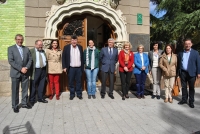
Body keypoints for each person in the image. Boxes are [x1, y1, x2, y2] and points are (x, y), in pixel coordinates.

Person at [8, 34, 32, 113]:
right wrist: (20, 68)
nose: (20, 41)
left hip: (25, 72)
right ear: (15, 39)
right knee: (15, 90)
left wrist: (26, 68)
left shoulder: (26, 49)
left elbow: (30, 59)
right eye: (18, 39)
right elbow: (11, 61)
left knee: (25, 89)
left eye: (21, 39)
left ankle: (24, 103)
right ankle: (15, 105)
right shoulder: (11, 49)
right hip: (15, 73)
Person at [177, 39, 200, 108]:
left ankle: (191, 101)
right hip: (183, 72)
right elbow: (179, 63)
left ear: (191, 44)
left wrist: (198, 73)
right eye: (186, 44)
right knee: (183, 87)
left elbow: (198, 63)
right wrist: (178, 73)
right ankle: (184, 99)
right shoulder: (181, 53)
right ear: (184, 45)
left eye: (189, 44)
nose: (187, 45)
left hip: (192, 73)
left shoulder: (195, 53)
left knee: (191, 88)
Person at [62, 35, 84, 100]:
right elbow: (63, 58)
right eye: (72, 40)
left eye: (75, 40)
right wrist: (64, 67)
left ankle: (79, 94)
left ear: (77, 41)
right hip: (70, 68)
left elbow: (82, 58)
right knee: (71, 82)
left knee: (79, 82)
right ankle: (72, 94)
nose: (74, 41)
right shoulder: (66, 47)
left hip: (79, 68)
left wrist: (83, 67)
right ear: (70, 41)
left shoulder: (80, 47)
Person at [29, 40, 48, 106]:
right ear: (35, 45)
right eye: (39, 45)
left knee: (41, 85)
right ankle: (32, 100)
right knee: (33, 85)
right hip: (35, 71)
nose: (40, 46)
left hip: (43, 70)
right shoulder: (31, 51)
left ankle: (40, 98)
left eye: (41, 45)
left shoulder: (43, 51)